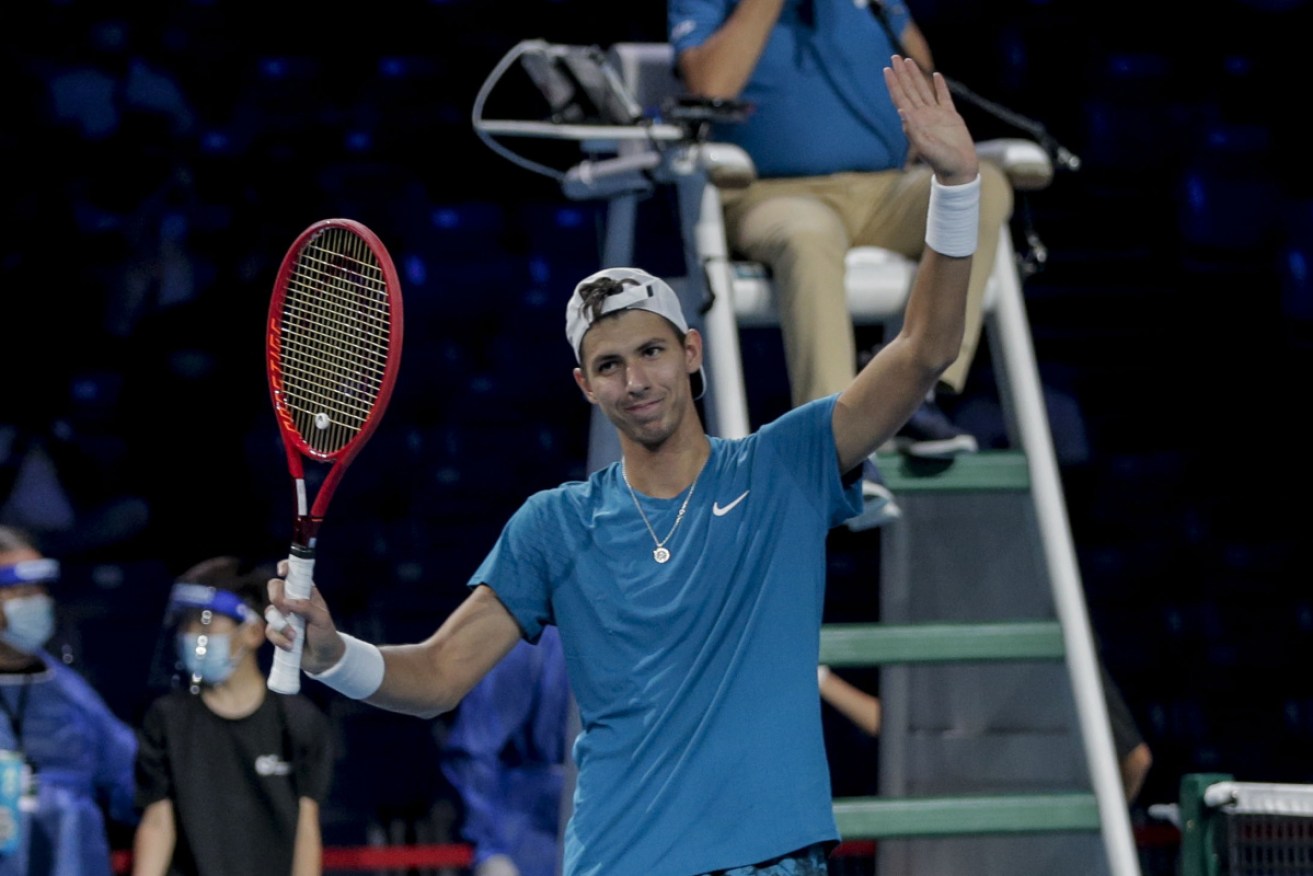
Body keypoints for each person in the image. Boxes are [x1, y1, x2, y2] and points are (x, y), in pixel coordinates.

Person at [266, 55, 980, 876]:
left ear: (689, 351)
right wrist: (329, 654)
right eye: (608, 365)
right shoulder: (554, 525)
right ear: (584, 386)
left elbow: (924, 349)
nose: (634, 380)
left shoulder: (785, 467)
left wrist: (955, 188)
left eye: (649, 352)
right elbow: (436, 677)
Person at [668, 0, 1017, 525]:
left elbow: (920, 73)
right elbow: (710, 85)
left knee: (982, 186)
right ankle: (838, 448)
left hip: (881, 191)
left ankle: (913, 393)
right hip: (769, 192)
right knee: (809, 234)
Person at [131, 556, 333, 876]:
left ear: (253, 633)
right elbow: (157, 822)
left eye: (206, 622)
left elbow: (306, 829)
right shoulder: (165, 720)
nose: (191, 635)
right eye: (186, 623)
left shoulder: (299, 721)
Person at [0, 525, 138, 876]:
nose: (36, 600)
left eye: (40, 588)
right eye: (19, 589)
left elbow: (133, 778)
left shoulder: (70, 692)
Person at [816, 663, 1152, 804]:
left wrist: (1096, 825)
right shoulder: (960, 681)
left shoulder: (1063, 659)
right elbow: (904, 727)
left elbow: (1136, 759)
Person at [440, 625, 570, 876]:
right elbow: (472, 749)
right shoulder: (536, 643)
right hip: (528, 847)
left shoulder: (651, 647)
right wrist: (490, 852)